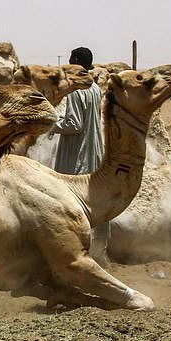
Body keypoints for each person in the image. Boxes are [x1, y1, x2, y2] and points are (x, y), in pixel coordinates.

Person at [53, 46, 108, 260]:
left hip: (77, 154)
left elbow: (73, 124)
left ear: (75, 61)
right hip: (93, 150)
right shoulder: (94, 88)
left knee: (72, 202)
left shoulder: (76, 90)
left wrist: (52, 123)